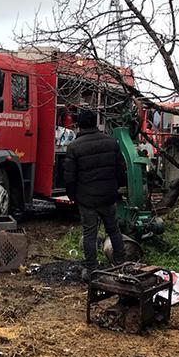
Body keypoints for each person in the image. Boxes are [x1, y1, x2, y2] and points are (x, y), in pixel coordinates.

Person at [64, 109, 127, 280]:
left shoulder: (74, 147)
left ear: (80, 125)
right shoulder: (111, 142)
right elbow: (121, 170)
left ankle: (92, 269)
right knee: (114, 230)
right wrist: (116, 188)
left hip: (87, 199)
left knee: (89, 235)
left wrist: (73, 196)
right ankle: (121, 265)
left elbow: (69, 177)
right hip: (108, 197)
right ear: (95, 123)